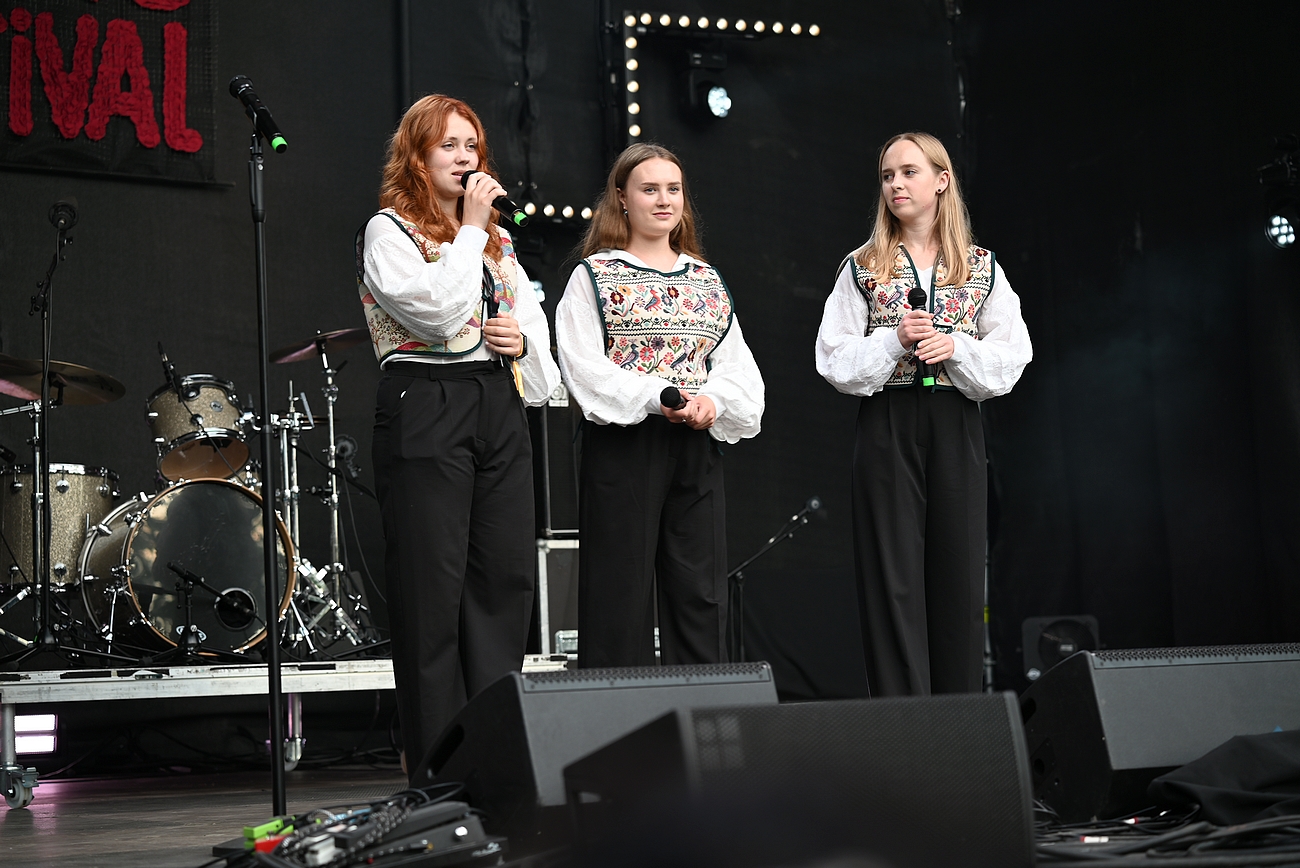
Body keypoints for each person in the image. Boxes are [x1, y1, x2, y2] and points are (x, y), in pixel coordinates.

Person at [357, 94, 560, 777]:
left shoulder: (498, 242)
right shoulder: (388, 231)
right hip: (425, 399)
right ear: (417, 156)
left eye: (472, 145)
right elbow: (438, 315)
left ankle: (496, 760)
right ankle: (438, 770)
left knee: (503, 581)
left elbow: (536, 341)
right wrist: (471, 229)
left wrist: (519, 338)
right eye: (448, 145)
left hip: (496, 402)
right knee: (432, 592)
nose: (465, 157)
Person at [815, 132, 1031, 696]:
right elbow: (833, 358)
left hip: (955, 423)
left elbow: (1013, 355)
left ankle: (960, 722)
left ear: (942, 180)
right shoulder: (862, 265)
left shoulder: (980, 266)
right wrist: (893, 340)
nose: (896, 185)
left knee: (959, 576)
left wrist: (955, 346)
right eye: (887, 175)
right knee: (893, 580)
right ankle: (904, 725)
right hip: (887, 424)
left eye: (909, 172)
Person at [556, 143, 764, 669]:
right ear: (622, 198)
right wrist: (657, 396)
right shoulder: (594, 274)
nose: (664, 200)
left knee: (701, 593)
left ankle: (701, 714)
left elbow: (737, 366)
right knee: (618, 593)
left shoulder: (705, 279)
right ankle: (617, 715)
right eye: (649, 189)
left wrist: (713, 400)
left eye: (673, 189)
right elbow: (582, 366)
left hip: (694, 444)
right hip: (625, 444)